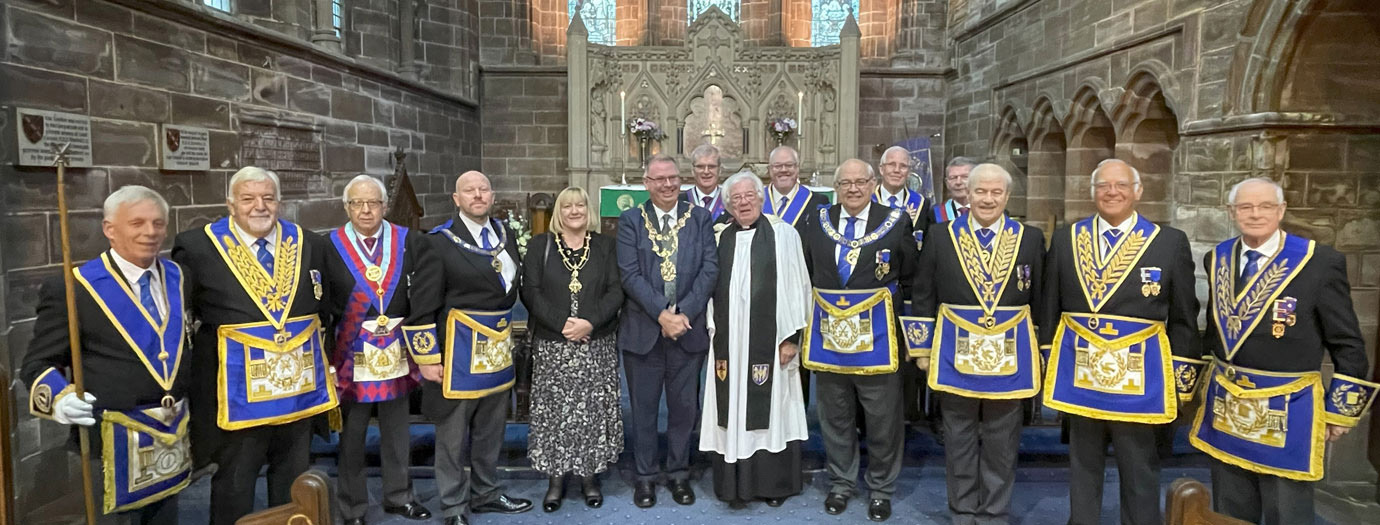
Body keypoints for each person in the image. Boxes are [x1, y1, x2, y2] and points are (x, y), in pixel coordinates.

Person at [1190, 178, 1376, 525]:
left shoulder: (1318, 261)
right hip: (1228, 404)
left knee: (1285, 511)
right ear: (1232, 212)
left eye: (1265, 206)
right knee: (1230, 510)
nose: (1255, 214)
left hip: (1288, 409)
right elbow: (1216, 332)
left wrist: (1339, 412)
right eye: (1245, 207)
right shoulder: (1217, 257)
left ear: (1282, 210)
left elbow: (1347, 343)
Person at [1037, 159, 1201, 525]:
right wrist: (1049, 358)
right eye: (1103, 186)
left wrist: (1182, 375)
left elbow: (1184, 314)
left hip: (1141, 376)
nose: (1112, 192)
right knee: (1082, 462)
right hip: (1080, 370)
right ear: (1092, 192)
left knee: (1140, 464)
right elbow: (1050, 304)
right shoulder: (1067, 238)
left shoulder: (1168, 241)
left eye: (1121, 185)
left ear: (1138, 191)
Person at [172, 167, 338, 524]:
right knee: (235, 482)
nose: (259, 206)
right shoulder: (198, 246)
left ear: (279, 202)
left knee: (294, 480)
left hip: (298, 389)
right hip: (236, 394)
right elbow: (179, 320)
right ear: (230, 204)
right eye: (248, 199)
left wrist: (331, 359)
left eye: (268, 198)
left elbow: (331, 306)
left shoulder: (310, 242)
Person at [22, 186, 191, 525]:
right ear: (109, 229)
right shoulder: (74, 287)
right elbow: (37, 364)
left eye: (158, 223)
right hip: (110, 444)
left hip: (171, 437)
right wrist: (58, 397)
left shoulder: (176, 276)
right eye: (137, 223)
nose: (150, 232)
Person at [908, 164, 1045, 525]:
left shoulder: (1029, 238)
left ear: (1007, 197)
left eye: (996, 192)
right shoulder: (940, 236)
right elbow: (923, 293)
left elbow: (1043, 299)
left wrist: (1044, 352)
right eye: (980, 192)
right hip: (955, 351)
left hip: (1011, 355)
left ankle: (995, 513)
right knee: (959, 439)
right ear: (966, 195)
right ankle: (962, 510)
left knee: (1003, 442)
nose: (987, 199)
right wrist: (921, 348)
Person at [406, 171, 533, 525]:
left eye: (483, 189)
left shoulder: (504, 236)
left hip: (496, 350)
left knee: (492, 429)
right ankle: (452, 506)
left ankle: (486, 493)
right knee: (452, 435)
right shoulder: (438, 243)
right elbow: (422, 305)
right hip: (456, 354)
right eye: (469, 191)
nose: (478, 195)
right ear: (456, 198)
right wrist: (428, 358)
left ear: (492, 196)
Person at [799, 158, 917, 522]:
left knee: (883, 418)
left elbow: (911, 278)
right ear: (836, 187)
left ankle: (881, 487)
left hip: (880, 341)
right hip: (829, 339)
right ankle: (841, 481)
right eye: (845, 183)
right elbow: (804, 275)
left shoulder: (896, 223)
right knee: (835, 415)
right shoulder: (816, 223)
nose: (853, 188)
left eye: (860, 182)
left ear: (873, 183)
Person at [323, 175, 433, 525]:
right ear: (347, 207)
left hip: (395, 348)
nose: (365, 210)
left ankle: (399, 497)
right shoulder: (329, 245)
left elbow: (423, 290)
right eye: (357, 203)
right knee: (352, 436)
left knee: (397, 430)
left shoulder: (407, 240)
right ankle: (352, 507)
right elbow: (323, 301)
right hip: (351, 351)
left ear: (385, 206)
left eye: (373, 203)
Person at [699, 172, 812, 509]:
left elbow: (798, 285)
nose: (743, 202)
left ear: (761, 199)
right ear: (728, 204)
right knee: (731, 404)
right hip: (729, 341)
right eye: (736, 198)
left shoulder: (783, 234)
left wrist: (792, 337)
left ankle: (772, 483)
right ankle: (734, 483)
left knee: (772, 407)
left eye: (750, 196)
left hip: (772, 339)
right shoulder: (720, 237)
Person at [616, 154, 719, 508]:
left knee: (683, 409)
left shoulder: (700, 218)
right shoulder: (630, 220)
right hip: (643, 331)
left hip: (687, 331)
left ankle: (678, 473)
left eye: (673, 177)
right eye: (659, 179)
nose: (668, 184)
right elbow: (629, 274)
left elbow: (710, 269)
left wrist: (684, 313)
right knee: (643, 410)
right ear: (646, 183)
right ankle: (645, 477)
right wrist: (662, 314)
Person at [521, 187, 625, 512]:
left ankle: (590, 477)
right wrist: (563, 324)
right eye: (567, 206)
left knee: (591, 411)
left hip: (596, 343)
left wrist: (589, 323)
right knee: (556, 413)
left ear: (588, 210)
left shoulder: (606, 246)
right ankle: (555, 479)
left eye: (580, 204)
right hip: (554, 343)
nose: (575, 210)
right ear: (559, 212)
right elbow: (531, 291)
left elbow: (615, 291)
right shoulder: (541, 245)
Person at [764, 145, 831, 231]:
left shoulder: (817, 203)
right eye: (777, 166)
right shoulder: (757, 201)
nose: (783, 170)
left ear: (797, 168)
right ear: (769, 169)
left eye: (789, 165)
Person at [874, 145, 935, 231]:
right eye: (891, 164)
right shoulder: (866, 201)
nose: (897, 170)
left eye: (903, 166)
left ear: (909, 172)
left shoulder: (923, 204)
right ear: (881, 169)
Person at [681, 143, 727, 221]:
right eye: (700, 167)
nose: (706, 171)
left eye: (711, 166)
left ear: (720, 170)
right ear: (692, 171)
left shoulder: (729, 201)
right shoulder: (680, 201)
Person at [933, 157, 977, 223]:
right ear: (947, 183)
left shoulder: (989, 212)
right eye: (953, 178)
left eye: (965, 177)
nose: (958, 182)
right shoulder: (934, 214)